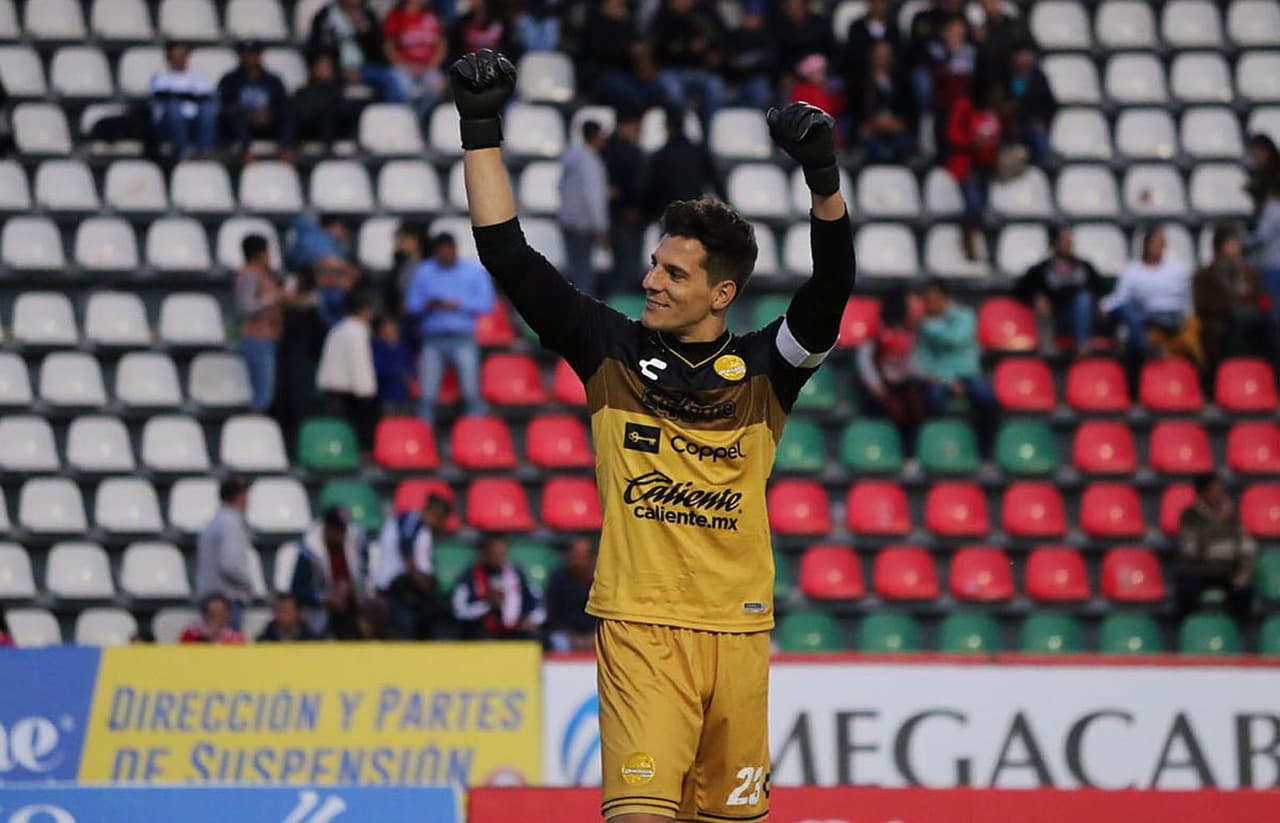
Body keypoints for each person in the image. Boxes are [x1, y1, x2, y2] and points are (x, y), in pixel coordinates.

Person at [448, 49, 853, 822]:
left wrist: (823, 179)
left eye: (674, 273)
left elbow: (831, 287)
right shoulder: (609, 346)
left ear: (720, 293)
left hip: (739, 634)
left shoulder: (770, 366)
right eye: (655, 265)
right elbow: (507, 252)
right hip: (640, 629)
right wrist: (479, 126)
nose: (651, 282)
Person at [404, 233, 496, 423]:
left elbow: (487, 303)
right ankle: (423, 435)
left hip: (462, 338)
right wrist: (427, 305)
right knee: (427, 394)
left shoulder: (473, 271)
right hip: (432, 339)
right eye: (441, 250)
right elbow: (411, 304)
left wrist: (459, 305)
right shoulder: (424, 271)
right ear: (436, 251)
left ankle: (475, 433)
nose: (446, 254)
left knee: (471, 392)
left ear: (455, 249)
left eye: (449, 249)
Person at [913, 279, 998, 455]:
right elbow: (922, 359)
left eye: (935, 299)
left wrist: (928, 326)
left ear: (946, 298)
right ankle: (933, 447)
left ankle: (986, 452)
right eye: (927, 300)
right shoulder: (922, 327)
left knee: (987, 398)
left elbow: (957, 339)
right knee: (930, 399)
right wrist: (948, 381)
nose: (931, 304)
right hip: (940, 378)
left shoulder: (964, 316)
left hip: (967, 375)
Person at [1101, 225, 1202, 370]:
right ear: (1146, 245)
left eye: (1162, 243)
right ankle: (1148, 348)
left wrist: (1189, 319)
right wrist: (1105, 305)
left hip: (1174, 316)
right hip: (1147, 317)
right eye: (1155, 243)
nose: (1159, 247)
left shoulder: (1177, 269)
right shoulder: (1133, 270)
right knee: (1129, 310)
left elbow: (1187, 302)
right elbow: (1120, 298)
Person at [1195, 223, 1279, 376]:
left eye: (1236, 244)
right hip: (1224, 320)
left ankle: (1274, 379)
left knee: (1272, 323)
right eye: (1230, 244)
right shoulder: (1205, 274)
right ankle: (1235, 376)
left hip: (1253, 317)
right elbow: (1203, 305)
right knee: (1236, 321)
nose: (1235, 248)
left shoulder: (1249, 271)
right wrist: (1231, 305)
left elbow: (1263, 298)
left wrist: (1263, 306)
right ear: (1220, 247)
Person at [1175, 472, 1256, 624]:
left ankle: (1238, 637)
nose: (1220, 493)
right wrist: (1218, 525)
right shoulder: (1189, 515)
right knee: (1186, 590)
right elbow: (1192, 550)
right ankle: (1186, 632)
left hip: (1227, 571)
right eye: (1215, 489)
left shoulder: (1232, 515)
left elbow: (1245, 545)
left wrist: (1244, 571)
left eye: (1221, 489)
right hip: (1196, 571)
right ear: (1203, 492)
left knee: (1244, 591)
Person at [1015, 224, 1107, 355]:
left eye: (1070, 240)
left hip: (1088, 320)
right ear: (1054, 243)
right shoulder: (1041, 269)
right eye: (1065, 240)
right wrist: (1035, 298)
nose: (1069, 244)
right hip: (1057, 321)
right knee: (1083, 299)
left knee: (1084, 298)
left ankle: (1083, 346)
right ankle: (1082, 346)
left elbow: (1102, 289)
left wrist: (1100, 302)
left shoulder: (1084, 266)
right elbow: (1019, 291)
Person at [856, 288, 926, 453]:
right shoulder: (877, 331)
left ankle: (909, 453)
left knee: (915, 410)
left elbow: (910, 362)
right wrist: (875, 384)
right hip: (882, 386)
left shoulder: (906, 333)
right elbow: (864, 360)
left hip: (903, 385)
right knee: (893, 413)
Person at [375, 494, 452, 640]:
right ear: (436, 514)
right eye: (442, 520)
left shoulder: (424, 529)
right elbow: (406, 547)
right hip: (395, 585)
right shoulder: (411, 520)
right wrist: (418, 576)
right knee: (404, 629)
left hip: (409, 585)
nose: (442, 525)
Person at [287, 506, 370, 639]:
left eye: (343, 529)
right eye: (337, 530)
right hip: (317, 612)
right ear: (327, 529)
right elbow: (298, 589)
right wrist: (325, 599)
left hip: (350, 608)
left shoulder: (354, 542)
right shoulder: (309, 551)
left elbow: (363, 570)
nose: (342, 534)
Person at [649, 0, 726, 135]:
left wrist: (707, 45)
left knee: (715, 86)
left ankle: (706, 138)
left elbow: (718, 36)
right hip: (671, 71)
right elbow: (658, 47)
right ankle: (680, 137)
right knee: (674, 92)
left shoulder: (705, 12)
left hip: (700, 72)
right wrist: (683, 46)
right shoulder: (663, 15)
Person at [308, 0, 406, 103]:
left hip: (366, 68)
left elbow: (379, 53)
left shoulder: (368, 15)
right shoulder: (325, 16)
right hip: (337, 69)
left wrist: (364, 31)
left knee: (394, 77)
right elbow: (318, 49)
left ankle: (396, 113)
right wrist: (338, 69)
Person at [316, 290, 379, 451]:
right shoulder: (356, 331)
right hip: (349, 389)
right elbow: (359, 362)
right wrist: (366, 390)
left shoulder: (339, 328)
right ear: (363, 310)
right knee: (348, 431)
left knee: (336, 428)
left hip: (334, 386)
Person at [451, 534, 545, 641]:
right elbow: (459, 611)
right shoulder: (469, 575)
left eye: (502, 554)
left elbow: (538, 601)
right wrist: (488, 605)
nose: (500, 558)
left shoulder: (516, 573)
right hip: (481, 630)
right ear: (485, 554)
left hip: (514, 629)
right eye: (495, 553)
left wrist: (532, 619)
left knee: (535, 636)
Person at [272, 276, 328, 450]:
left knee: (300, 410)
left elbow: (319, 339)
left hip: (301, 366)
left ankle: (298, 446)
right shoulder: (285, 312)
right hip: (288, 365)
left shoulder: (310, 313)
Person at [945, 85, 1000, 261]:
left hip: (986, 166)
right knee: (973, 206)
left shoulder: (991, 112)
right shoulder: (964, 106)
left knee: (981, 208)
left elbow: (998, 134)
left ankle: (977, 243)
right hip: (967, 165)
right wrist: (972, 141)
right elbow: (953, 134)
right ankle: (967, 240)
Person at [217, 40, 294, 162]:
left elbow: (282, 103)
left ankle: (285, 149)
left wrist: (268, 114)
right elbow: (225, 105)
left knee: (287, 114)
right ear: (241, 56)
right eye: (247, 54)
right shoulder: (230, 80)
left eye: (254, 54)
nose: (250, 58)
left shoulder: (273, 80)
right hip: (241, 126)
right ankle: (246, 151)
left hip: (268, 124)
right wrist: (250, 115)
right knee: (235, 115)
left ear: (260, 56)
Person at [644, 107, 724, 221]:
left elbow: (651, 189)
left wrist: (645, 214)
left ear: (666, 126)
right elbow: (717, 183)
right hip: (694, 216)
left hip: (670, 218)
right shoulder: (699, 152)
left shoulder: (660, 156)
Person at [559, 120, 611, 295]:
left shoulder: (571, 158)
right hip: (584, 224)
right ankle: (583, 313)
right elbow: (593, 196)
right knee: (584, 273)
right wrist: (600, 227)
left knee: (576, 269)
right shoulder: (591, 163)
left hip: (569, 221)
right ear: (595, 137)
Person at [194, 477, 256, 625]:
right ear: (241, 497)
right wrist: (249, 584)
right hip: (226, 601)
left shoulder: (216, 521)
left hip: (212, 599)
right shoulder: (231, 523)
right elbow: (230, 564)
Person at [581, 0, 660, 113]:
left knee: (657, 91)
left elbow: (638, 43)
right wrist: (627, 50)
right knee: (635, 96)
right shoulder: (594, 19)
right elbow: (597, 51)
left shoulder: (627, 20)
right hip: (601, 73)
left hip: (628, 73)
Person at [235, 234, 283, 413]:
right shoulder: (249, 274)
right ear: (260, 254)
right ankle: (252, 429)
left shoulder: (264, 275)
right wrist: (272, 299)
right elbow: (246, 306)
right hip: (257, 339)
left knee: (265, 393)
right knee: (262, 394)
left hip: (267, 338)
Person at [602, 109, 648, 294]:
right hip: (623, 214)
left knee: (627, 262)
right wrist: (632, 207)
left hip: (626, 214)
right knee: (625, 263)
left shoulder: (611, 149)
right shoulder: (620, 151)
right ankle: (622, 305)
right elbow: (631, 184)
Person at [849, 40, 916, 164]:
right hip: (871, 131)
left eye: (885, 56)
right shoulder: (862, 82)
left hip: (897, 130)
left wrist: (898, 124)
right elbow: (856, 112)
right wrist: (872, 124)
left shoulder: (902, 82)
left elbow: (910, 112)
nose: (882, 60)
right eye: (878, 56)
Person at [150, 40, 217, 159]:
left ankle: (205, 151)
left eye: (182, 55)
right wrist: (188, 97)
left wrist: (181, 96)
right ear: (168, 58)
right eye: (175, 56)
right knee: (174, 107)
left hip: (195, 122)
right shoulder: (161, 77)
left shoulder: (198, 77)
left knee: (208, 109)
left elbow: (207, 97)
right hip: (168, 124)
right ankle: (183, 151)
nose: (179, 59)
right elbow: (161, 95)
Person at [382, 0, 448, 119]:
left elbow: (441, 46)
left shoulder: (432, 16)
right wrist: (407, 66)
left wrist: (429, 66)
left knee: (437, 84)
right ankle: (405, 121)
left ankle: (418, 120)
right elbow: (388, 47)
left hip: (428, 68)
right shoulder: (396, 15)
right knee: (403, 86)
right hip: (403, 67)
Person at [1002, 41, 1056, 170]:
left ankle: (1045, 172)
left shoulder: (1039, 77)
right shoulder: (1006, 77)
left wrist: (1043, 122)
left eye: (1026, 54)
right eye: (1020, 54)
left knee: (1040, 142)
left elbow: (1049, 104)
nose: (1023, 58)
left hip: (1033, 124)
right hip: (1011, 126)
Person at [293, 52, 362, 148]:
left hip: (338, 137)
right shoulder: (302, 93)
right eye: (322, 66)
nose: (326, 70)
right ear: (313, 69)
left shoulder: (340, 91)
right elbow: (302, 117)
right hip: (310, 137)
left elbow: (348, 114)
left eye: (328, 66)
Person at [545, 537, 598, 652]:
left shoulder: (600, 581)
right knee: (559, 642)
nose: (574, 559)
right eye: (573, 554)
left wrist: (591, 636)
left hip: (593, 634)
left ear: (590, 558)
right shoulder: (558, 579)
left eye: (580, 556)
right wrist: (572, 637)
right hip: (566, 634)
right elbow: (553, 615)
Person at [726, 1, 777, 110]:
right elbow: (728, 60)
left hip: (757, 78)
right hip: (735, 79)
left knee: (760, 90)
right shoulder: (735, 35)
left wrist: (750, 63)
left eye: (756, 16)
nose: (752, 19)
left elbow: (771, 62)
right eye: (749, 15)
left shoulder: (767, 36)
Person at [774, 0, 836, 83]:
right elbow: (779, 57)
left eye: (798, 6)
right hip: (794, 74)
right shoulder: (781, 28)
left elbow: (832, 50)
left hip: (822, 71)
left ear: (805, 6)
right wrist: (787, 74)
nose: (794, 9)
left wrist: (825, 70)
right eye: (791, 6)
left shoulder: (820, 23)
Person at [1245, 177, 1280, 318]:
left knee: (1268, 302)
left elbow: (1262, 236)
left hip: (1270, 265)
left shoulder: (1272, 209)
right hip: (1274, 264)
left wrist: (1245, 241)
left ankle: (1271, 330)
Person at [842, 0, 900, 81]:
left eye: (882, 2)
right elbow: (852, 56)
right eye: (874, 2)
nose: (879, 5)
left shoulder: (893, 28)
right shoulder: (857, 28)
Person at [790, 55, 845, 140]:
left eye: (824, 72)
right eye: (819, 72)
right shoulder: (801, 91)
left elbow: (834, 108)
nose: (823, 75)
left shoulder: (825, 90)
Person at [372, 313, 417, 413]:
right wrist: (395, 369)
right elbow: (378, 368)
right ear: (380, 331)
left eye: (393, 329)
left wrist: (409, 375)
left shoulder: (403, 347)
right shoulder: (376, 347)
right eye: (386, 329)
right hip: (385, 395)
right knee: (388, 422)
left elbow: (412, 367)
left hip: (405, 395)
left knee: (405, 423)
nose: (390, 332)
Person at [179, 594, 247, 644]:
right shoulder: (190, 634)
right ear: (205, 614)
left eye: (220, 614)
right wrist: (205, 637)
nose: (216, 619)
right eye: (212, 614)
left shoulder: (236, 638)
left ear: (227, 615)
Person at [1245, 133, 1280, 217]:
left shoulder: (1276, 171)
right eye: (1253, 154)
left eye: (1259, 152)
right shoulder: (1255, 174)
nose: (1256, 157)